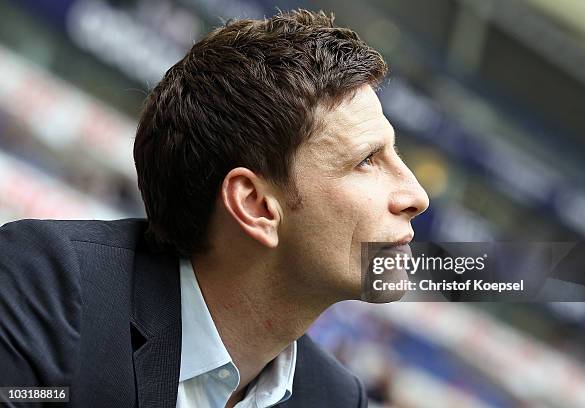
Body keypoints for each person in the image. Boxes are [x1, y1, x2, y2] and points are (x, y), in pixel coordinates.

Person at [0, 9, 428, 408]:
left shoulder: (333, 397)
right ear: (255, 205)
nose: (416, 196)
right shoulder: (47, 287)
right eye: (367, 161)